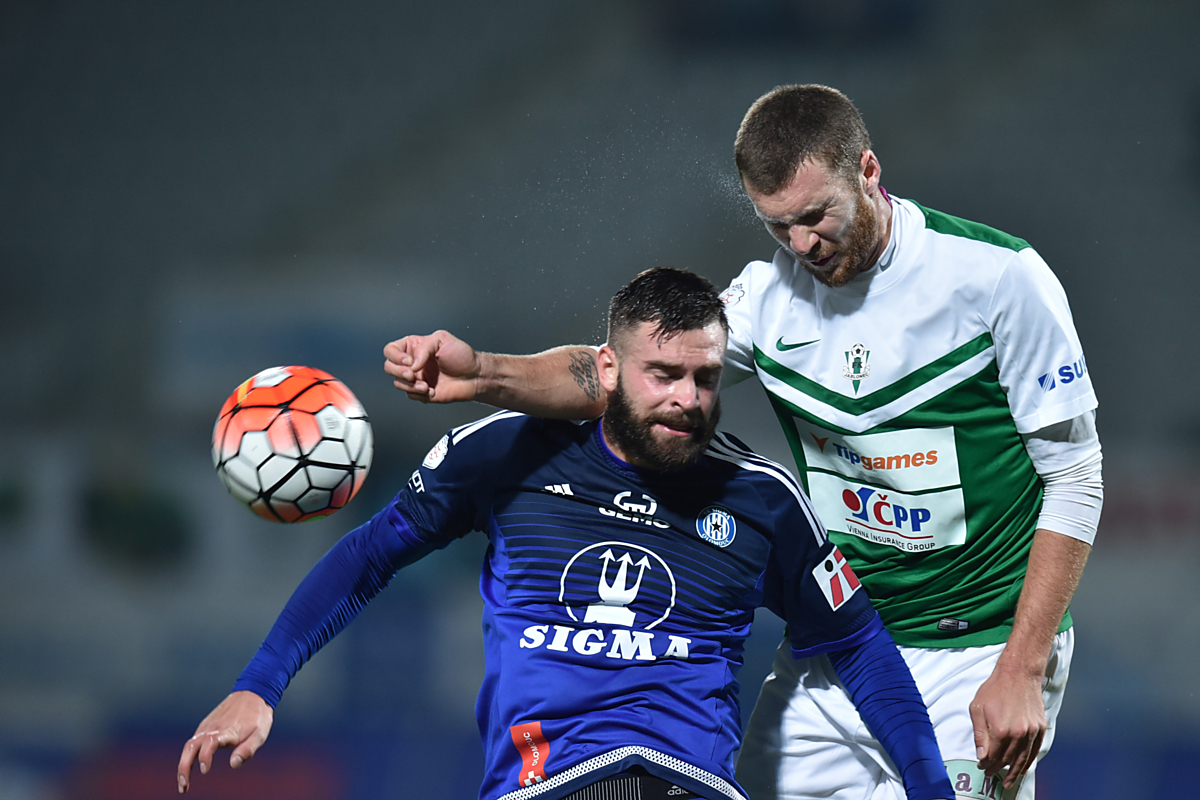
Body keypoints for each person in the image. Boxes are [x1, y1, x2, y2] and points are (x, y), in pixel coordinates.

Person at [382, 86, 1102, 800]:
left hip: (977, 649)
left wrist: (1022, 668)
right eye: (777, 225)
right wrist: (484, 373)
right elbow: (621, 379)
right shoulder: (766, 299)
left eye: (816, 216)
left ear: (869, 172)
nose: (802, 244)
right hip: (843, 650)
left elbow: (1076, 478)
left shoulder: (999, 279)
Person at [178, 268, 954, 800]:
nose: (688, 398)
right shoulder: (503, 453)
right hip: (550, 784)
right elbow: (369, 554)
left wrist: (930, 788)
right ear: (606, 369)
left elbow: (857, 642)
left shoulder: (762, 500)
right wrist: (259, 684)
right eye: (663, 374)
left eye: (706, 378)